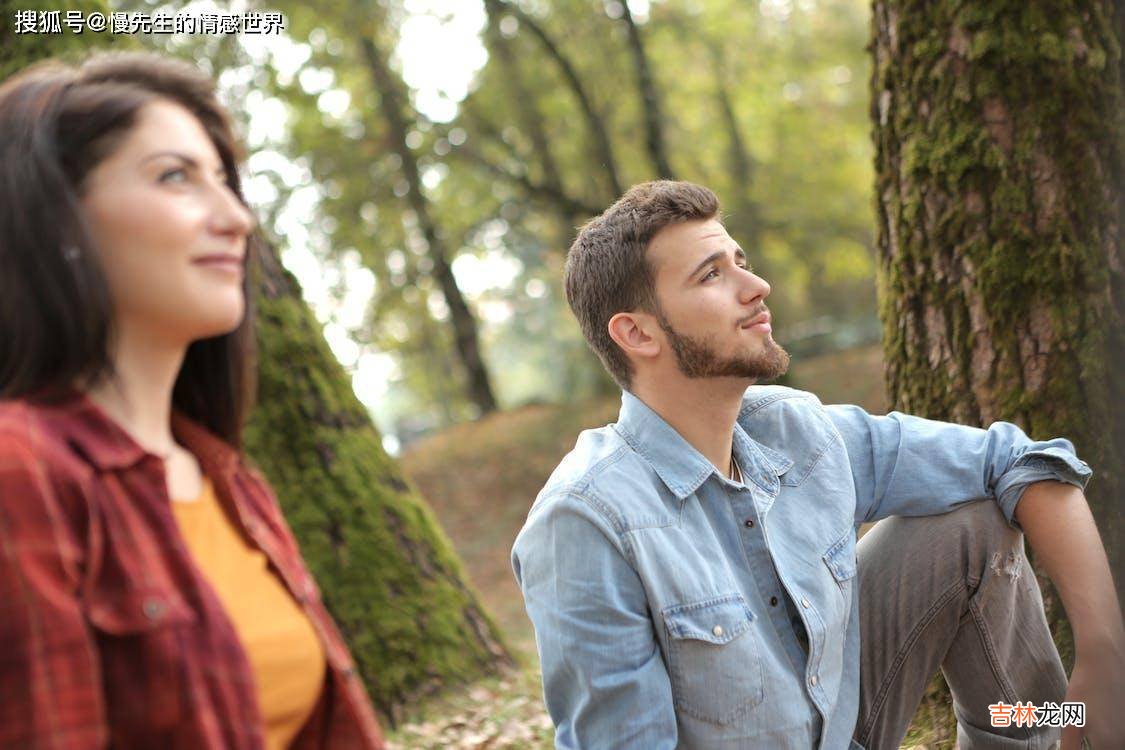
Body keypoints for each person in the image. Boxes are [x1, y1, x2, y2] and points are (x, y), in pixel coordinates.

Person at [511, 181, 1125, 749]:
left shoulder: (798, 430)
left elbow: (1020, 461)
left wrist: (1103, 655)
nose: (756, 288)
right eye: (710, 276)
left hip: (850, 728)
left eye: (741, 264)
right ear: (638, 335)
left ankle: (1059, 723)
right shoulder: (584, 525)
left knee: (973, 520)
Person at [0, 53, 384, 748]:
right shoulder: (20, 471)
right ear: (56, 220)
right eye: (175, 177)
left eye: (226, 183)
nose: (234, 217)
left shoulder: (227, 480)